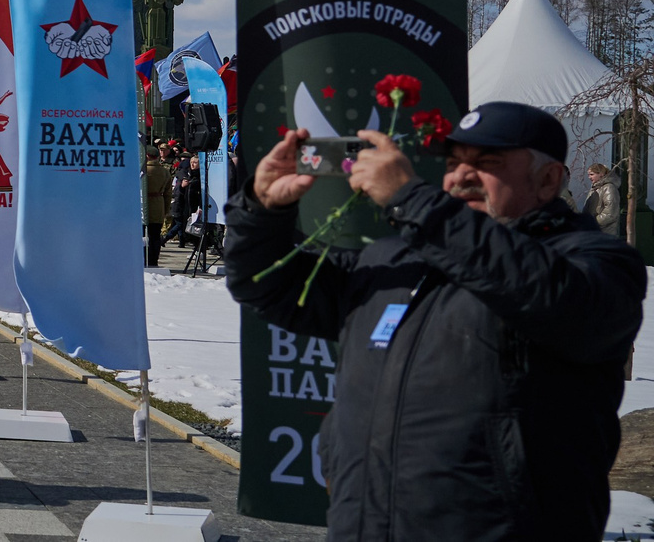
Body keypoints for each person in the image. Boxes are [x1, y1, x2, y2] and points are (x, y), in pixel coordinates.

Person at [224, 103, 647, 541]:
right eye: (453, 163)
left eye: (488, 163)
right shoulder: (396, 256)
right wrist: (261, 210)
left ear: (549, 179)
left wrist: (412, 201)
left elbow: (546, 295)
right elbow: (266, 285)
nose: (461, 175)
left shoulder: (596, 262)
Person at [586, 161, 625, 238]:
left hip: (605, 233)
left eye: (592, 174)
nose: (589, 177)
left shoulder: (609, 188)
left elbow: (610, 213)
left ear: (601, 174)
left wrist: (593, 223)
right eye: (588, 175)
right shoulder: (594, 189)